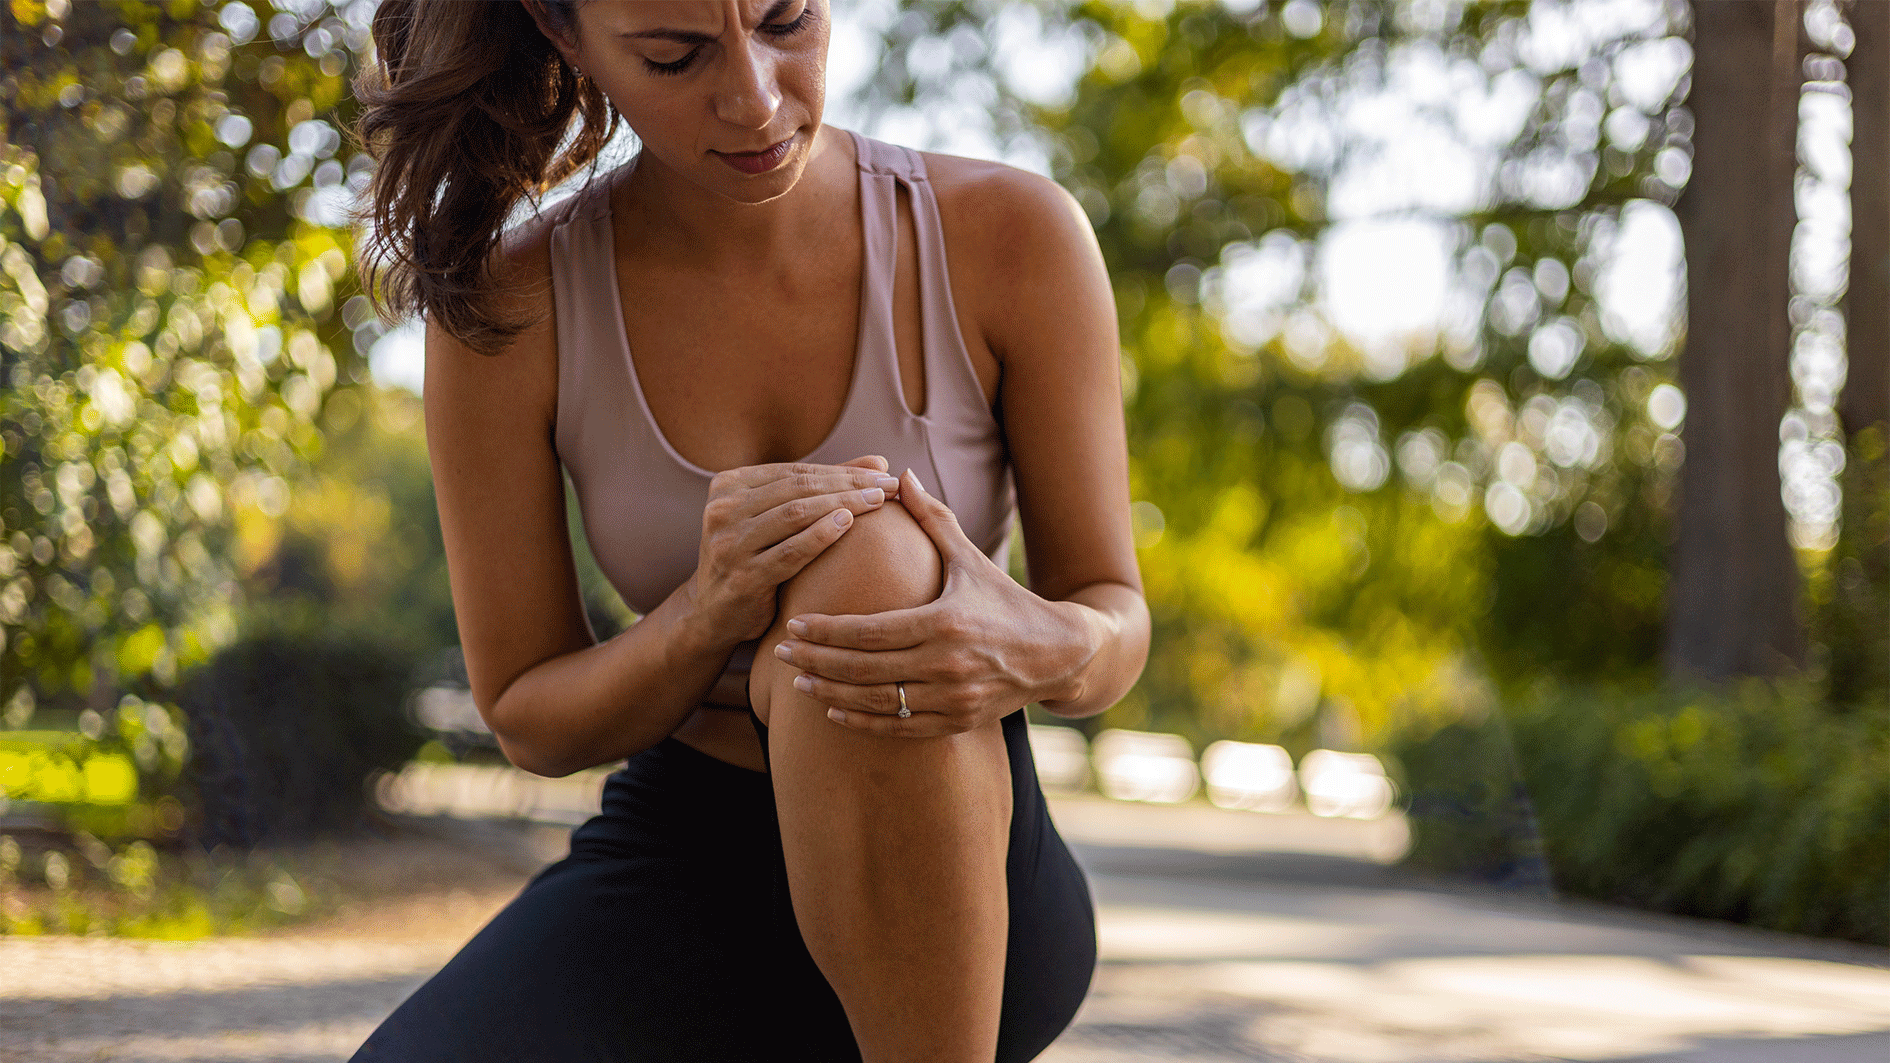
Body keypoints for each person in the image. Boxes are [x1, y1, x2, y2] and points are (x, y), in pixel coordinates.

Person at [347, 1, 1148, 1060]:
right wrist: (702, 615)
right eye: (676, 56)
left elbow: (1113, 611)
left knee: (870, 553)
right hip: (685, 859)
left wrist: (1046, 642)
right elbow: (531, 715)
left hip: (956, 861)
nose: (757, 97)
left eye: (787, 20)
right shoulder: (513, 307)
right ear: (564, 31)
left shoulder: (1010, 237)